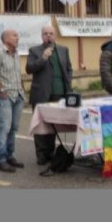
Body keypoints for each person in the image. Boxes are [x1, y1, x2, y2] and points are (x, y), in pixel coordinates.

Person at [26, 25, 73, 165]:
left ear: (55, 35)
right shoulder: (35, 50)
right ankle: (41, 155)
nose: (48, 36)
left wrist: (68, 82)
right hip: (41, 94)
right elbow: (30, 69)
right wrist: (43, 58)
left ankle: (50, 153)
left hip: (60, 93)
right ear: (42, 36)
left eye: (51, 33)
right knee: (40, 125)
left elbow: (69, 69)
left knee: (53, 125)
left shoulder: (63, 50)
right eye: (45, 33)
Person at [0, 29, 26, 173]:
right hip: (5, 97)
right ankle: (0, 160)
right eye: (14, 35)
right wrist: (2, 91)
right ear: (5, 39)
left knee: (14, 128)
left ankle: (10, 156)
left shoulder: (16, 54)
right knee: (5, 127)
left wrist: (22, 91)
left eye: (18, 35)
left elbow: (18, 75)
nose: (18, 38)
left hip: (18, 96)